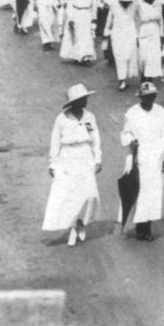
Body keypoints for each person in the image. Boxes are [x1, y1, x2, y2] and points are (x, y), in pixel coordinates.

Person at [42, 84, 102, 247]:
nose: (85, 102)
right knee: (69, 195)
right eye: (81, 99)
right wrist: (53, 163)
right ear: (73, 102)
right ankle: (73, 227)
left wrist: (98, 159)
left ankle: (78, 222)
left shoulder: (89, 116)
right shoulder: (62, 119)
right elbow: (55, 141)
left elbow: (95, 138)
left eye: (85, 99)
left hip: (85, 156)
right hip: (67, 157)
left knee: (89, 194)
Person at [119, 81, 164, 241]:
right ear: (140, 98)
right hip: (139, 155)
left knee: (153, 191)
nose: (149, 99)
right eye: (146, 97)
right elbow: (125, 133)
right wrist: (131, 141)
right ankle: (140, 225)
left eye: (152, 96)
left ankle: (147, 224)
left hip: (156, 156)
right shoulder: (132, 113)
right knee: (139, 190)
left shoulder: (161, 112)